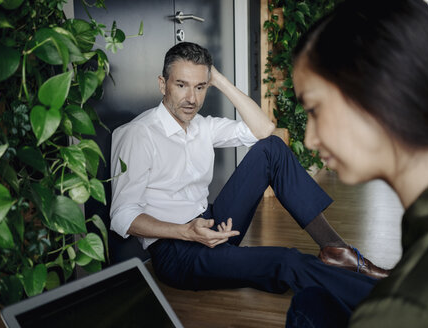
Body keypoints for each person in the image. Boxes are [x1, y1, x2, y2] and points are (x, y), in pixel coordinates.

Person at [109, 41, 387, 299]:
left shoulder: (202, 126)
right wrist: (186, 231)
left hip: (214, 226)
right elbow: (122, 217)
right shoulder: (137, 135)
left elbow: (264, 130)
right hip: (177, 251)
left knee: (271, 148)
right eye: (181, 85)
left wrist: (220, 81)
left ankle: (337, 250)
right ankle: (380, 295)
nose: (191, 98)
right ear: (162, 84)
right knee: (286, 260)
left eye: (200, 87)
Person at [288, 0, 428, 326]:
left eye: (314, 109)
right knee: (311, 300)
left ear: (376, 92)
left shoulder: (403, 310)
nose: (311, 138)